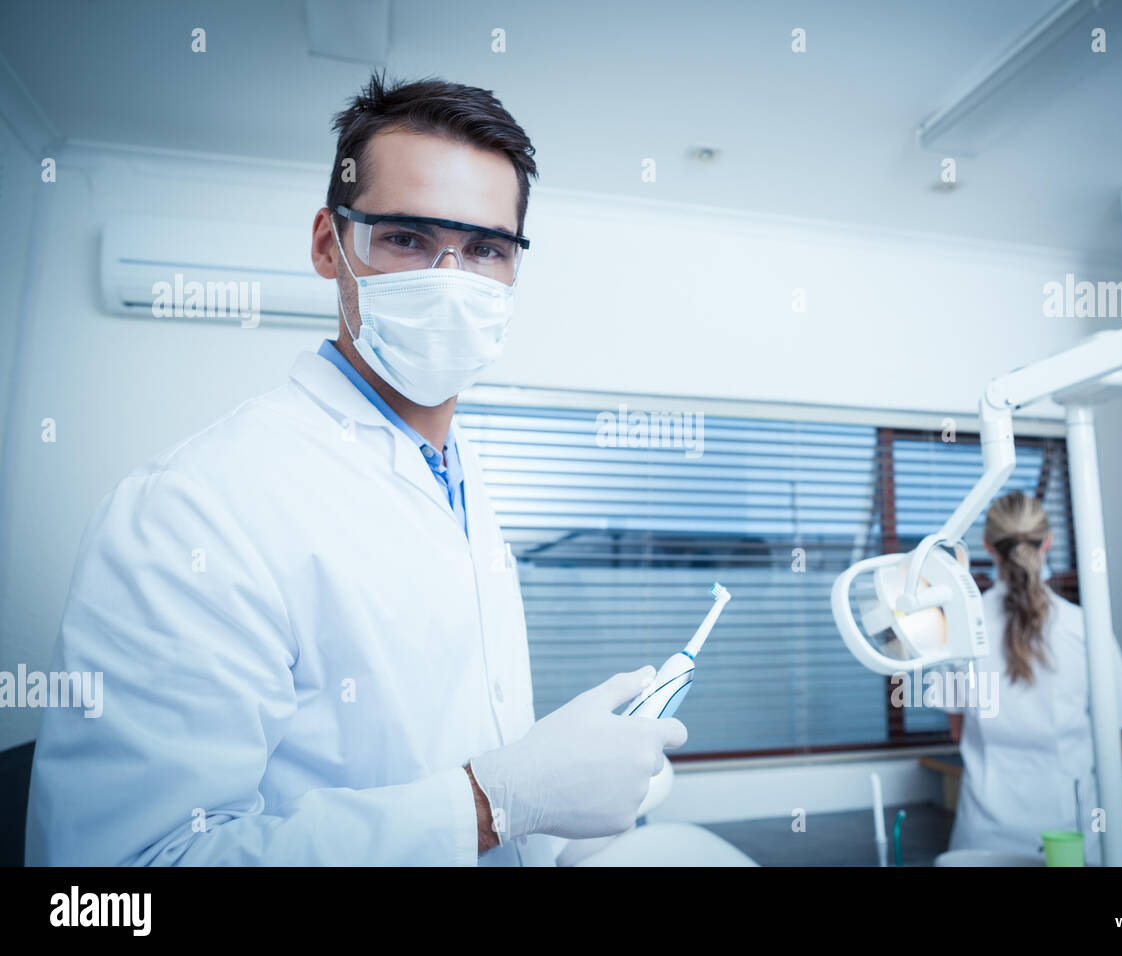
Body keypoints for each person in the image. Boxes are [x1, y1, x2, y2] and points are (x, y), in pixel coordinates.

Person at [25, 72, 686, 866]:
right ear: (327, 244)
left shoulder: (460, 471)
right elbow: (119, 882)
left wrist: (565, 800)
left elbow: (456, 734)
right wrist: (492, 804)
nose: (451, 281)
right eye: (406, 237)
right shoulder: (192, 510)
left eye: (485, 249)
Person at [943, 490, 1122, 866]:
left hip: (982, 838)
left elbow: (957, 732)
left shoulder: (956, 630)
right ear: (1047, 543)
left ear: (989, 546)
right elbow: (1113, 744)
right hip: (1067, 838)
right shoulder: (1085, 627)